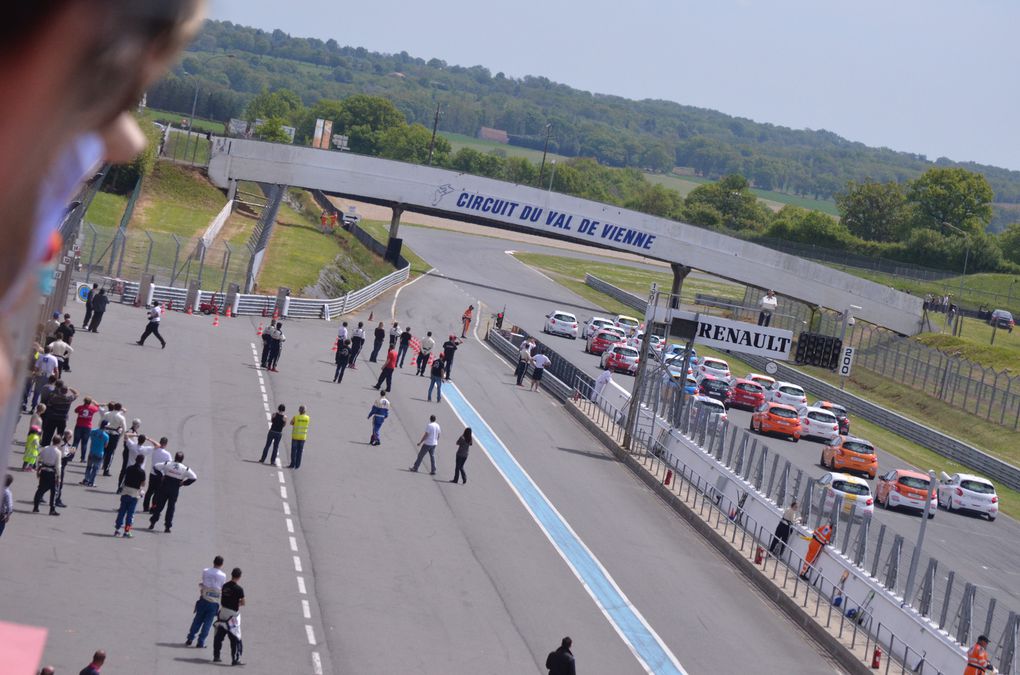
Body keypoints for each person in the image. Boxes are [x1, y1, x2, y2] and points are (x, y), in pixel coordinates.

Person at [149, 450, 198, 533]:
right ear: (182, 459)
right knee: (171, 508)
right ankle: (167, 527)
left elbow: (156, 466)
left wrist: (161, 475)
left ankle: (153, 522)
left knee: (159, 506)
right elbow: (194, 477)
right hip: (174, 489)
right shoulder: (185, 468)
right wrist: (184, 483)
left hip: (165, 486)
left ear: (175, 457)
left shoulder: (168, 464)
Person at [187, 556, 227, 649]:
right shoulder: (223, 575)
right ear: (222, 564)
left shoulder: (206, 571)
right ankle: (201, 642)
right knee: (207, 624)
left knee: (197, 620)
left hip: (204, 599)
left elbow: (203, 582)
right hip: (214, 603)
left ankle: (190, 638)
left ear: (213, 562)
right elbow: (221, 587)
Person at [213, 567, 245, 665]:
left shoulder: (225, 586)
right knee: (235, 638)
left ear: (231, 575)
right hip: (232, 616)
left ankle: (216, 655)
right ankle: (235, 659)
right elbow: (243, 602)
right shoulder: (239, 589)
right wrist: (236, 603)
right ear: (239, 577)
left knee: (219, 635)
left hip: (222, 612)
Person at [40, 382, 77, 452]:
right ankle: (58, 449)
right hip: (62, 419)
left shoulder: (54, 398)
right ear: (66, 392)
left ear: (59, 390)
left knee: (48, 434)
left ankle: (44, 448)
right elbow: (76, 394)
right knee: (60, 434)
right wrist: (70, 389)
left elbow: (49, 405)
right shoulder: (69, 399)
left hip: (52, 418)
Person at [115, 454, 146, 537]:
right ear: (142, 461)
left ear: (135, 459)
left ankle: (117, 529)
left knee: (122, 511)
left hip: (125, 491)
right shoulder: (142, 472)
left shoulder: (129, 468)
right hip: (134, 494)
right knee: (130, 514)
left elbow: (125, 478)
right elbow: (143, 484)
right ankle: (127, 531)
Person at [32, 435, 62, 515]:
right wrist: (59, 476)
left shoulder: (45, 448)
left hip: (44, 471)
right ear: (59, 442)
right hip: (52, 473)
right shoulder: (58, 452)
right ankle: (52, 509)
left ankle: (36, 507)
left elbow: (39, 459)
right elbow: (58, 466)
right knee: (53, 491)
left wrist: (38, 470)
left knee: (40, 489)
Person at [119, 425, 151, 492]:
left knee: (126, 480)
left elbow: (126, 435)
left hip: (130, 466)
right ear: (144, 441)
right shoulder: (145, 449)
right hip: (140, 469)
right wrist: (148, 439)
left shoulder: (132, 445)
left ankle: (121, 489)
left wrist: (136, 435)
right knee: (138, 482)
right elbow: (158, 445)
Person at [144, 438, 173, 513]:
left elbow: (155, 444)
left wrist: (150, 439)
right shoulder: (167, 454)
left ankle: (145, 507)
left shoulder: (155, 450)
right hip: (161, 475)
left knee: (149, 491)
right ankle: (153, 508)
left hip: (152, 473)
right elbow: (170, 465)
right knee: (157, 493)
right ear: (166, 444)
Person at [101, 402, 127, 476]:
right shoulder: (121, 417)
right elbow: (124, 429)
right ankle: (106, 469)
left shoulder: (107, 414)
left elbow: (100, 423)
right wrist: (119, 436)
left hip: (105, 432)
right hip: (114, 435)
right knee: (110, 452)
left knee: (103, 450)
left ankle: (97, 465)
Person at [73, 397, 100, 461]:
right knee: (84, 443)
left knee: (75, 443)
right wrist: (94, 402)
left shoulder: (80, 407)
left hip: (79, 426)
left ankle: (70, 456)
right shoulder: (92, 408)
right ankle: (83, 458)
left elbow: (75, 411)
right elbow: (97, 407)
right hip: (87, 427)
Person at [82, 421, 109, 487]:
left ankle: (86, 479)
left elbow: (91, 438)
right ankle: (91, 482)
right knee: (95, 468)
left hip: (92, 451)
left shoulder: (93, 431)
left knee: (89, 466)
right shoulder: (106, 436)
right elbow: (105, 446)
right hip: (99, 453)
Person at [288, 405, 310, 469]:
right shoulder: (308, 418)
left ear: (299, 410)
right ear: (305, 411)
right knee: (300, 452)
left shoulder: (296, 417)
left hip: (295, 436)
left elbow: (291, 423)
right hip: (303, 437)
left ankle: (292, 464)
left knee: (293, 451)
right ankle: (297, 465)